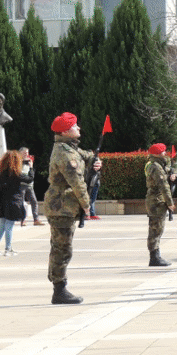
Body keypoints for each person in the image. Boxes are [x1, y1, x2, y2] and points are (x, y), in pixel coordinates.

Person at [45, 112, 101, 304]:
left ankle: (58, 285)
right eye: (75, 126)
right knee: (62, 249)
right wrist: (87, 205)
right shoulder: (66, 153)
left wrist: (94, 159)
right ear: (66, 131)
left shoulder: (66, 148)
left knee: (59, 248)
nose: (79, 128)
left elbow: (84, 155)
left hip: (61, 206)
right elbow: (77, 182)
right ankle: (59, 290)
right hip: (62, 206)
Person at [145, 143, 176, 267]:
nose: (165, 154)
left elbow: (169, 173)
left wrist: (175, 176)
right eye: (163, 152)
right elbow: (163, 186)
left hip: (156, 200)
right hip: (156, 201)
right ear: (157, 154)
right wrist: (170, 203)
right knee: (156, 229)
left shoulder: (158, 165)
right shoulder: (156, 167)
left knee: (157, 228)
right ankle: (154, 257)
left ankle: (155, 255)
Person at [1, 150, 32, 255]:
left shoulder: (1, 173)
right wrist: (31, 167)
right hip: (13, 202)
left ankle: (8, 248)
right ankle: (8, 249)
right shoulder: (16, 173)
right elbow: (29, 179)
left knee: (2, 226)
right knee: (9, 226)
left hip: (2, 202)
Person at [18, 147, 43, 226]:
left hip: (29, 186)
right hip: (21, 185)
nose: (26, 154)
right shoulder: (17, 161)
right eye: (24, 153)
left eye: (27, 153)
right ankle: (23, 219)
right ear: (20, 153)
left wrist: (31, 165)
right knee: (21, 203)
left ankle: (36, 219)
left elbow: (32, 173)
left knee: (34, 202)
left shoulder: (30, 161)